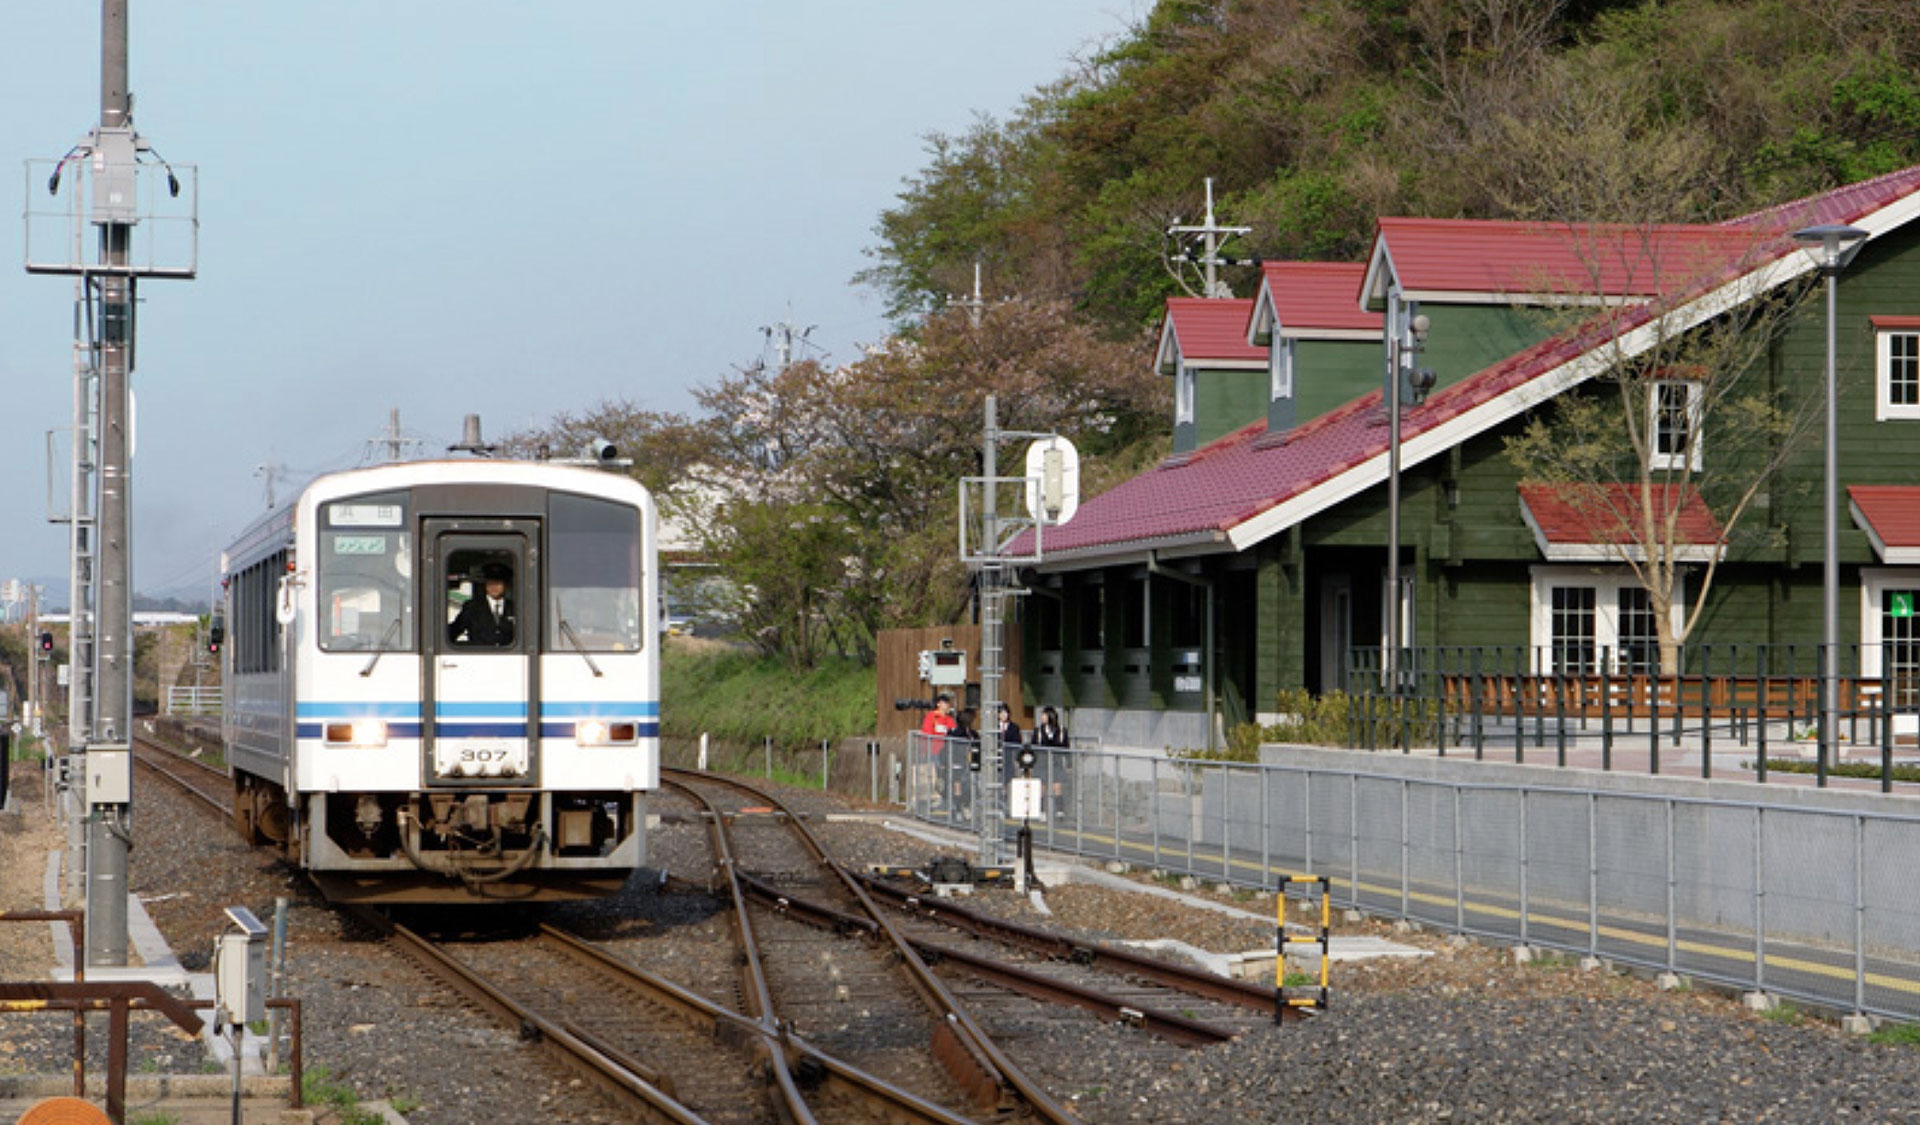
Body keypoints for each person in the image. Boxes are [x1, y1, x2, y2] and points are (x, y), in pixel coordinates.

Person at [449, 563, 516, 647]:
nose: (493, 587)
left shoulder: (514, 608)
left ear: (506, 585)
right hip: (479, 657)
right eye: (490, 583)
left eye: (498, 583)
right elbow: (454, 631)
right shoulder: (472, 607)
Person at [918, 694, 956, 808]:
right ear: (938, 704)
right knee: (935, 773)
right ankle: (936, 796)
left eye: (947, 703)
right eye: (944, 703)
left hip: (946, 751)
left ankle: (945, 797)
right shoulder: (931, 716)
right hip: (933, 750)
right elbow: (927, 731)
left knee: (944, 774)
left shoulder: (949, 719)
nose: (946, 706)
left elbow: (953, 731)